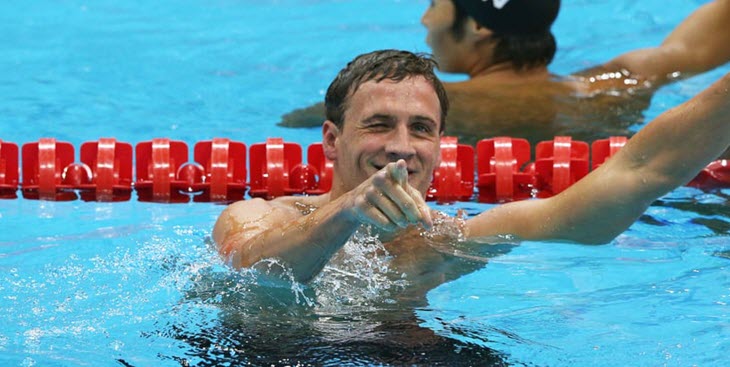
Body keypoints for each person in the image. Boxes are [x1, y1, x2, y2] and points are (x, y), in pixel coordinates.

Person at [214, 50, 730, 284]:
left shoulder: (446, 241)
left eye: (421, 128)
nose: (401, 147)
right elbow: (259, 271)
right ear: (331, 139)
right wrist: (347, 211)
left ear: (441, 144)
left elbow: (639, 173)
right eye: (379, 124)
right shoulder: (259, 216)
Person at [279, 0, 730, 146]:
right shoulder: (621, 83)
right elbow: (693, 45)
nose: (425, 20)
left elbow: (301, 120)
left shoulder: (430, 107)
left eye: (436, 4)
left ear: (477, 26)